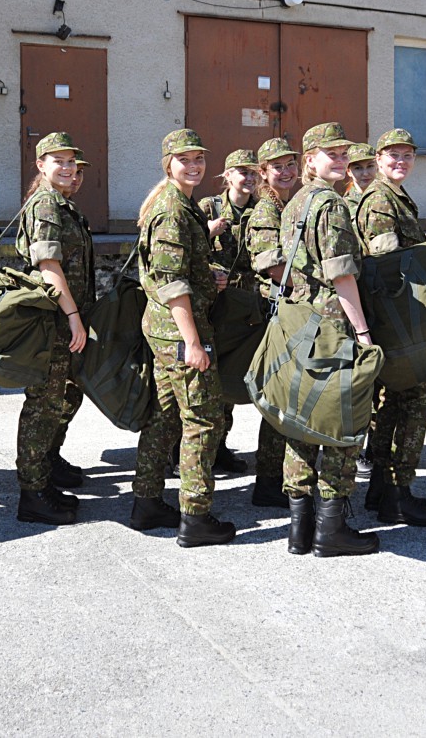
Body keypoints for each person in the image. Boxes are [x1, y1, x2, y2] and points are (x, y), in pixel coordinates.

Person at [129, 129, 235, 547]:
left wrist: (208, 277)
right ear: (168, 164)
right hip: (179, 331)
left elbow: (177, 269)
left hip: (166, 329)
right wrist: (192, 343)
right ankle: (195, 517)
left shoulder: (182, 203)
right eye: (184, 159)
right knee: (203, 421)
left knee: (166, 416)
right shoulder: (172, 210)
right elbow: (172, 284)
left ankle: (146, 502)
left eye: (199, 159)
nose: (194, 166)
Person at [278, 123, 379, 557]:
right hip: (332, 327)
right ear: (310, 160)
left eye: (343, 153)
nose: (340, 160)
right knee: (341, 422)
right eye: (331, 154)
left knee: (302, 421)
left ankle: (299, 529)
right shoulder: (331, 204)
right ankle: (331, 529)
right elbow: (341, 275)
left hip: (300, 323)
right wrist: (363, 333)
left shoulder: (295, 203)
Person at [355, 129, 426, 527]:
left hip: (395, 317)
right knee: (419, 398)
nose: (401, 161)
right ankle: (398, 492)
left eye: (407, 155)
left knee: (393, 403)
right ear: (378, 159)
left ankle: (381, 487)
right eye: (393, 155)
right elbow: (386, 264)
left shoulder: (394, 195)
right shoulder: (380, 199)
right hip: (394, 319)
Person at [13, 132, 94, 526]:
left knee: (57, 401)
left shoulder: (61, 203)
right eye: (58, 160)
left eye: (71, 160)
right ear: (41, 165)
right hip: (53, 321)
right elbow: (49, 266)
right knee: (42, 405)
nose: (67, 167)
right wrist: (73, 315)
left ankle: (44, 473)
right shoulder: (45, 204)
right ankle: (32, 493)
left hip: (63, 320)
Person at [242, 136, 299, 508]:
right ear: (263, 172)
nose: (286, 171)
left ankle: (275, 476)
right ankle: (268, 480)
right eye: (277, 166)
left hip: (288, 309)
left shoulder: (288, 204)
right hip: (275, 312)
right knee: (279, 398)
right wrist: (309, 283)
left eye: (290, 164)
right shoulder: (266, 210)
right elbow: (271, 265)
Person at [197, 148, 259, 474]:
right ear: (228, 175)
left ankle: (220, 447)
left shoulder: (261, 211)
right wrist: (208, 232)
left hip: (243, 307)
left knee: (230, 377)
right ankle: (189, 452)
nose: (249, 178)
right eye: (242, 172)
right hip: (212, 305)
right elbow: (187, 251)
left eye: (253, 172)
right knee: (204, 381)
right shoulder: (209, 207)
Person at [344, 142, 378, 213]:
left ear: (377, 167)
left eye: (370, 166)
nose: (365, 174)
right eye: (358, 168)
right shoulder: (345, 206)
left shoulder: (387, 197)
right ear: (348, 171)